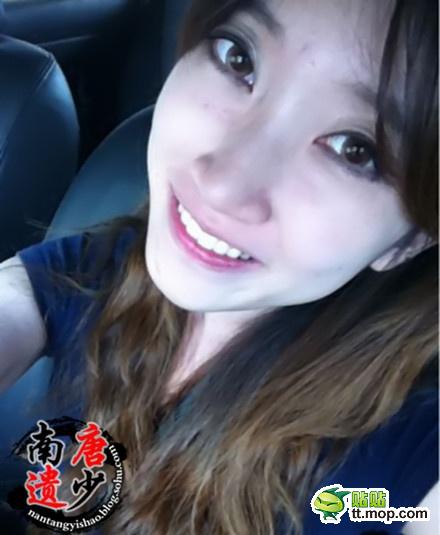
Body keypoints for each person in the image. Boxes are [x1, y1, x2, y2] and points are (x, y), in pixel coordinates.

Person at [0, 0, 438, 533]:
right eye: (238, 58)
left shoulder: (404, 447)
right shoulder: (104, 263)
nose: (223, 184)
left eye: (354, 150)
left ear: (409, 240)